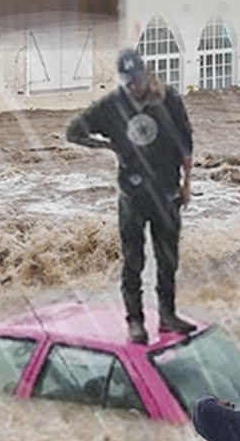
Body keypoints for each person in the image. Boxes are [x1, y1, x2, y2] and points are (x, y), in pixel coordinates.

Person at [65, 48, 196, 344]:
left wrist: (187, 185)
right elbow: (73, 131)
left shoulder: (169, 99)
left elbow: (186, 145)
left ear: (146, 75)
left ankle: (167, 315)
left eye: (136, 79)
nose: (133, 86)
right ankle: (135, 321)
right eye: (127, 81)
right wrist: (106, 146)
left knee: (168, 260)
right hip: (132, 196)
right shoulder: (112, 105)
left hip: (167, 193)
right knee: (133, 261)